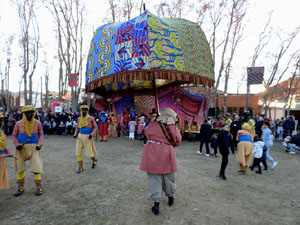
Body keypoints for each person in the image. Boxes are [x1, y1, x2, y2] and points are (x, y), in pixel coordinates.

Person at [140, 108, 182, 216]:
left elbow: (147, 133)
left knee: (154, 178)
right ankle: (170, 196)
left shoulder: (153, 124)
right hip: (167, 153)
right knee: (169, 177)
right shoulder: (172, 126)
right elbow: (177, 140)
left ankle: (156, 204)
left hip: (152, 152)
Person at [12, 105, 44, 196]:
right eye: (27, 113)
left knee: (36, 168)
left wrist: (39, 144)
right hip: (21, 149)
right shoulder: (18, 123)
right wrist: (17, 144)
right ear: (24, 114)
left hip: (34, 148)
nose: (29, 114)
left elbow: (41, 134)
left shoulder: (37, 123)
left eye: (31, 112)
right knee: (20, 168)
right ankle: (20, 188)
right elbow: (14, 135)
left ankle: (39, 188)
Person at [73, 105, 98, 173]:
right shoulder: (79, 118)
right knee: (78, 152)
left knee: (89, 153)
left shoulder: (91, 118)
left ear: (87, 111)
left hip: (88, 137)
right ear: (80, 111)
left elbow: (95, 127)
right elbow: (77, 127)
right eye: (82, 110)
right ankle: (80, 168)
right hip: (80, 136)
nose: (84, 111)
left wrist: (91, 134)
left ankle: (94, 160)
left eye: (85, 110)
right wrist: (75, 134)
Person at [0, 112, 13, 190]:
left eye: (0, 121)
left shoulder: (1, 132)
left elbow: (3, 145)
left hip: (2, 158)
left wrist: (8, 152)